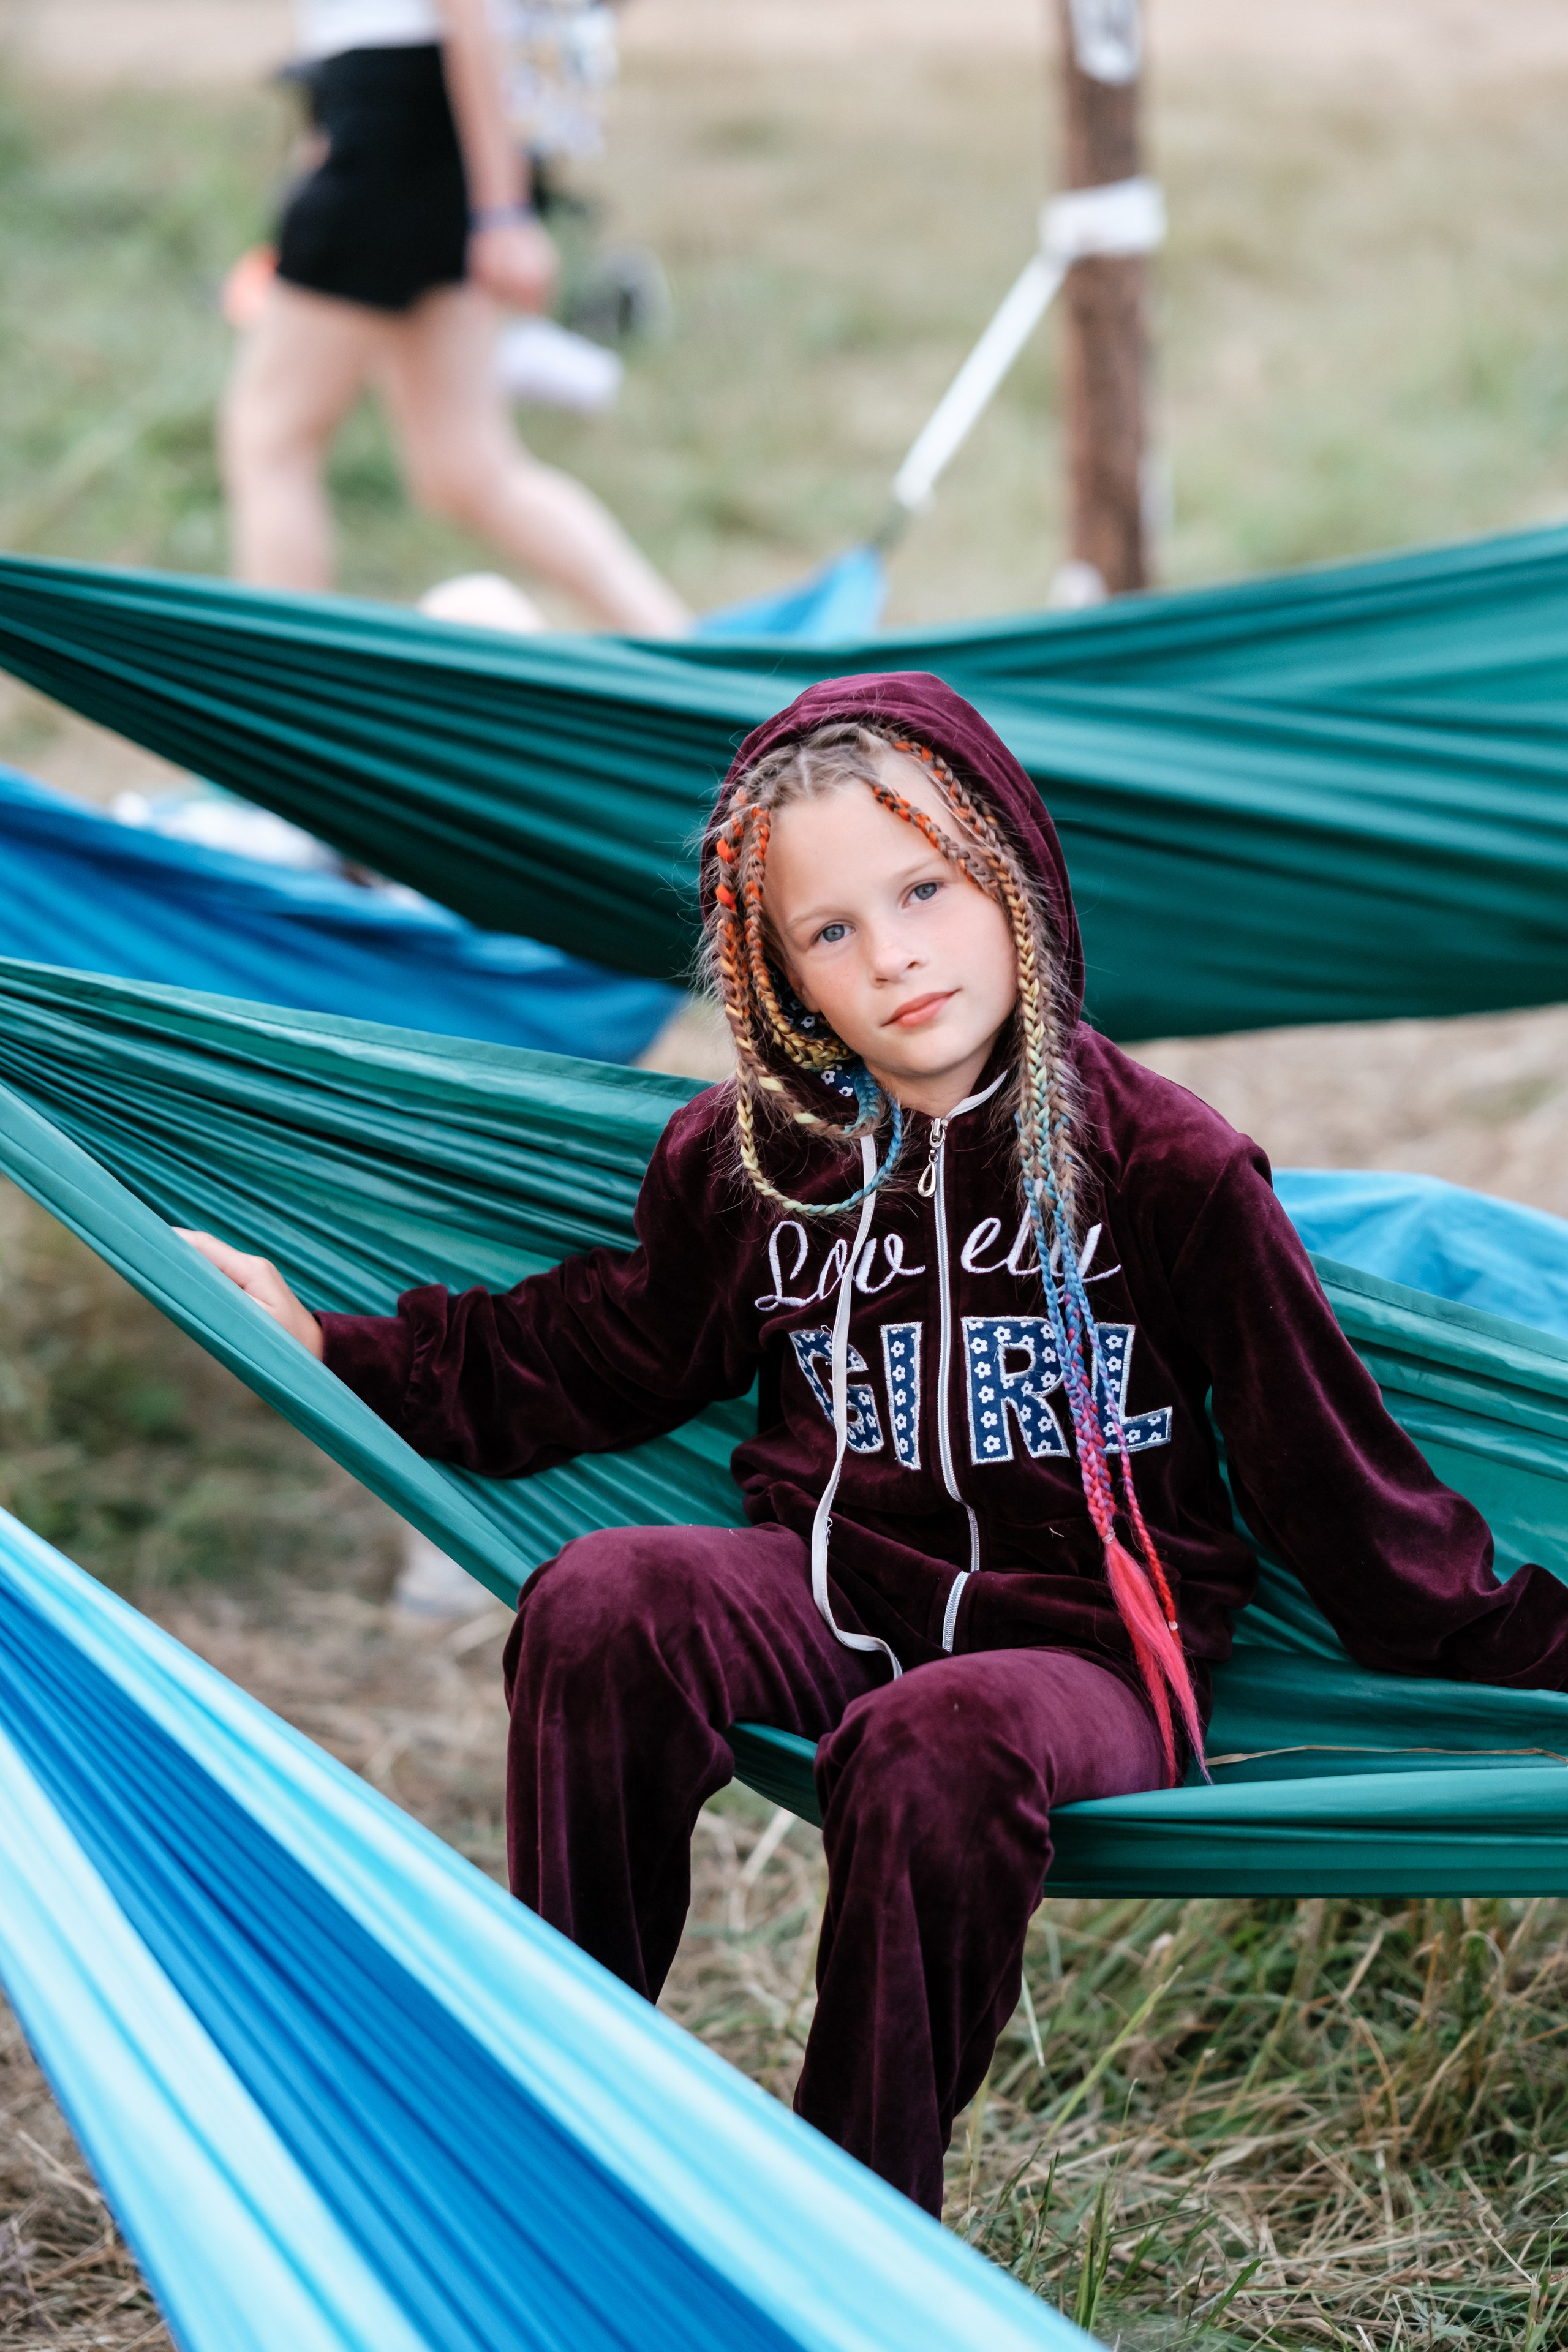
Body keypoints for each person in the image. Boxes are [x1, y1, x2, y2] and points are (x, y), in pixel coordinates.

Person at [178, 672, 1568, 2215]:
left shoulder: (1165, 1164)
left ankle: (845, 2220)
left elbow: (1337, 1482)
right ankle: (556, 2102)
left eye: (924, 888)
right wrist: (329, 1345)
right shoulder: (753, 1160)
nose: (893, 952)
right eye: (829, 930)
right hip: (824, 1597)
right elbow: (590, 1351)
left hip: (1083, 1663)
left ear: (1012, 881)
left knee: (931, 1744)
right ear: (778, 976)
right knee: (599, 1592)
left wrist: (1524, 1640)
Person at [220, 0, 688, 633]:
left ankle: (281, 695)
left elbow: (469, 15)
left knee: (270, 436)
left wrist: (501, 214)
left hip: (403, 126)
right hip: (410, 123)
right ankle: (678, 642)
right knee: (464, 467)